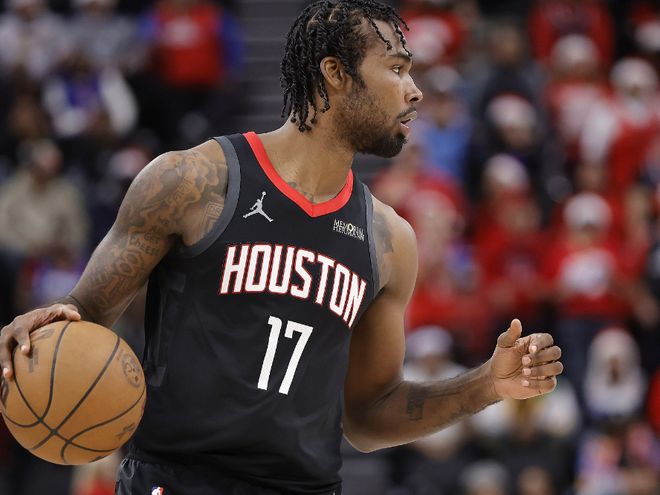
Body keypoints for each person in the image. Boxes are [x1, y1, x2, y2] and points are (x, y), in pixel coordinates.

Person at [0, 1, 564, 494]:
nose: (414, 90)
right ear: (335, 74)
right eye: (396, 68)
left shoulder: (389, 239)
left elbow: (369, 416)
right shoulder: (193, 181)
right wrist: (41, 331)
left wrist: (485, 385)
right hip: (179, 480)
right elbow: (84, 316)